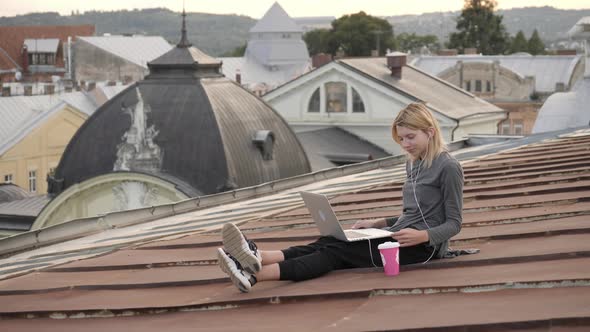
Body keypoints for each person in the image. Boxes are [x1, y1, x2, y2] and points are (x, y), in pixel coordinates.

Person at [217, 103, 464, 292]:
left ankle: (253, 275)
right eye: (401, 138)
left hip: (422, 249)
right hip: (397, 237)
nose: (405, 144)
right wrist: (379, 223)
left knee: (335, 254)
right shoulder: (414, 164)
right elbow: (417, 213)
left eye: (411, 137)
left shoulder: (448, 167)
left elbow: (454, 223)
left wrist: (423, 236)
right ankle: (256, 257)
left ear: (430, 132)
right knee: (330, 239)